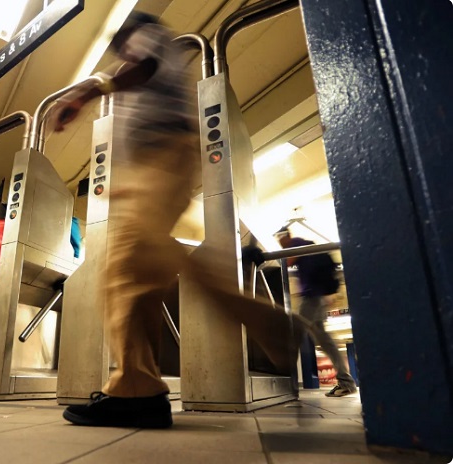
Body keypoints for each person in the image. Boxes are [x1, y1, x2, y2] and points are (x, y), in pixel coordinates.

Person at [52, 12, 300, 428]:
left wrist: (94, 87)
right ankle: (268, 325)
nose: (121, 57)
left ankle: (136, 391)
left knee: (125, 272)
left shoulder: (149, 38)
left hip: (162, 159)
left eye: (121, 48)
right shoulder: (150, 60)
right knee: (145, 274)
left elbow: (143, 66)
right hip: (152, 168)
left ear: (132, 35)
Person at [275, 227, 358, 397]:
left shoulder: (296, 242)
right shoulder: (301, 245)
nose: (279, 242)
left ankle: (283, 381)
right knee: (325, 341)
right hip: (317, 296)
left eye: (279, 238)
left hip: (311, 297)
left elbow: (287, 261)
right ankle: (346, 382)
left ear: (285, 236)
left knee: (294, 333)